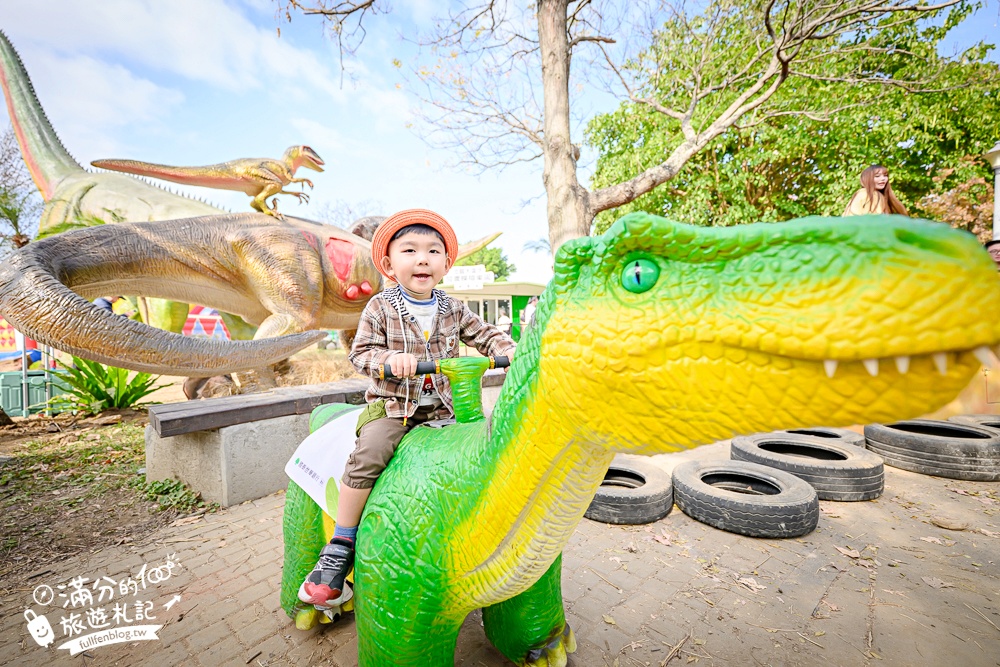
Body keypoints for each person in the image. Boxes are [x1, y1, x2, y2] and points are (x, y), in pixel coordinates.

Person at [298, 208, 517, 609]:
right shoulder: (380, 307)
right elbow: (360, 354)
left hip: (447, 407)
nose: (423, 258)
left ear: (446, 265)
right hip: (395, 405)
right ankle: (341, 541)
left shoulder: (452, 308)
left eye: (434, 251)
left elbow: (485, 336)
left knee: (484, 447)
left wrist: (510, 351)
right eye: (410, 250)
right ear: (388, 264)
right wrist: (388, 360)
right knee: (370, 453)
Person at [842, 165, 909, 217]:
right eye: (877, 176)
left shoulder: (866, 193)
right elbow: (875, 222)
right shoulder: (868, 194)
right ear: (867, 179)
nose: (883, 179)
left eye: (885, 176)